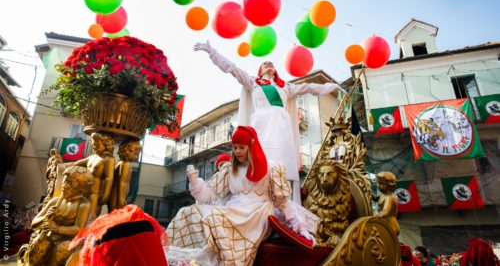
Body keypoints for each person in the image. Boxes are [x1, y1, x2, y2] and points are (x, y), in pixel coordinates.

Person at [195, 41, 344, 202]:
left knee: (281, 167)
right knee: (261, 163)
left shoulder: (286, 87)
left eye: (271, 63)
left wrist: (332, 86)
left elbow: (309, 87)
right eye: (265, 64)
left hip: (281, 128)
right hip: (261, 127)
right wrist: (212, 51)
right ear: (260, 70)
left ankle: (284, 206)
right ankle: (260, 203)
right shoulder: (253, 82)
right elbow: (232, 68)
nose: (268, 65)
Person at [166, 126, 318, 266]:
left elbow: (283, 203)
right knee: (187, 212)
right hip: (233, 209)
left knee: (216, 218)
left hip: (257, 214)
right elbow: (210, 196)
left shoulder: (272, 167)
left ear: (251, 146)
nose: (237, 151)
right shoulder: (229, 170)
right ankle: (174, 258)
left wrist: (300, 227)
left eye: (241, 147)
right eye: (234, 147)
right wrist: (194, 181)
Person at [108, 140, 141, 212]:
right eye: (136, 153)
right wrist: (121, 198)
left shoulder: (121, 163)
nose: (137, 156)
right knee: (115, 215)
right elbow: (122, 182)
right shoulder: (125, 164)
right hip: (118, 196)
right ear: (127, 151)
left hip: (117, 195)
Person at [374, 171, 400, 236]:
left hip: (391, 226)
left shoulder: (389, 198)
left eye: (381, 183)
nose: (378, 185)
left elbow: (386, 211)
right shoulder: (382, 196)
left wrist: (375, 217)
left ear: (389, 185)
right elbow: (374, 198)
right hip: (385, 225)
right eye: (378, 183)